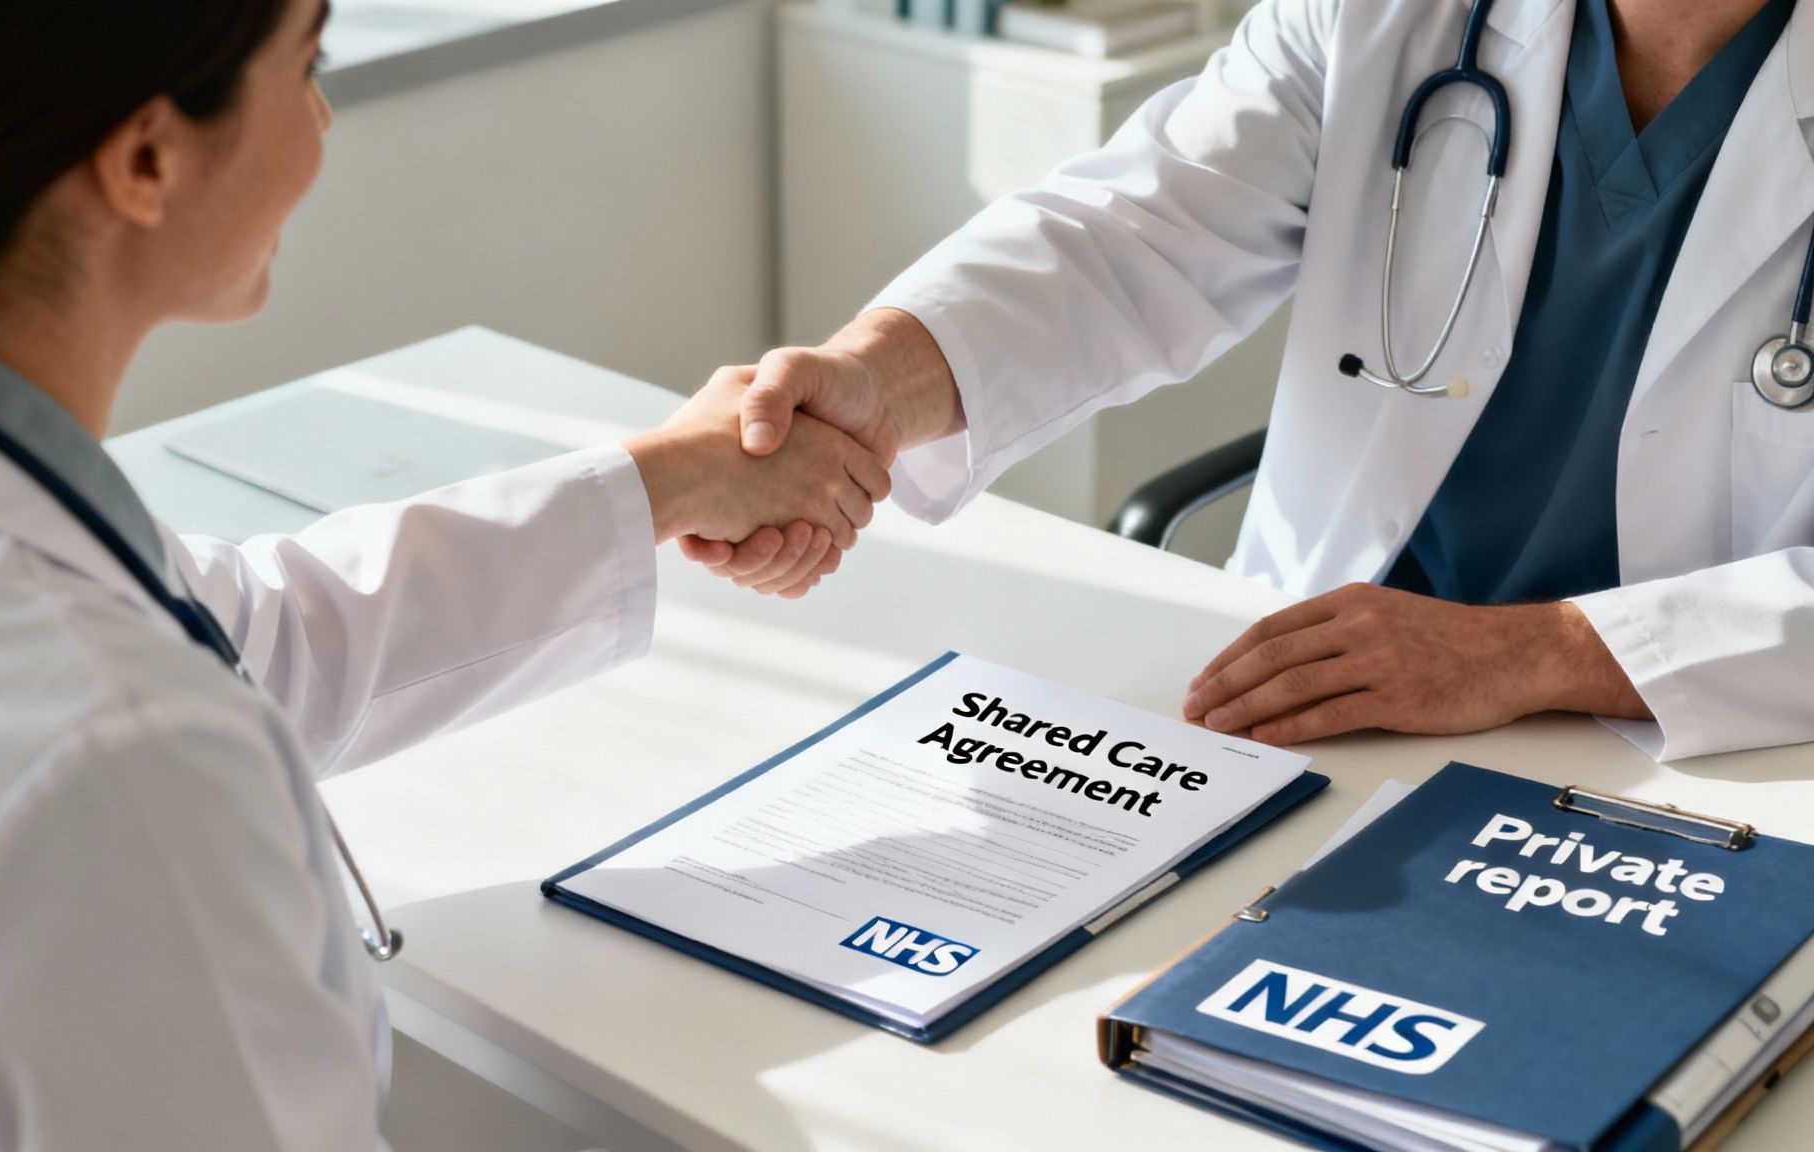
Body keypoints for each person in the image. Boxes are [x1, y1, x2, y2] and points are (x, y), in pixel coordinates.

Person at [0, 0, 886, 1146]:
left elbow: (259, 635)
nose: (321, 118)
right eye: (308, 63)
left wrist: (667, 478)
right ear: (146, 157)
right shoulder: (115, 773)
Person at [688, 0, 1814, 762]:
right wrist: (878, 375)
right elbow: (1134, 232)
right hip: (1325, 687)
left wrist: (1543, 652)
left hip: (1703, 734)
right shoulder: (1383, 17)